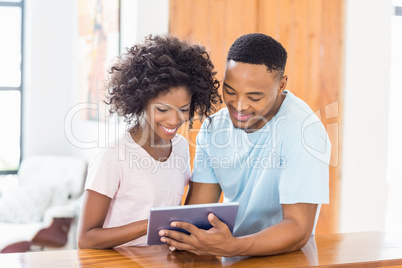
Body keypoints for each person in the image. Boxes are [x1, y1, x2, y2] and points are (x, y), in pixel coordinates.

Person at [159, 33, 331, 256]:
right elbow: (198, 213)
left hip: (285, 259)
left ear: (281, 85)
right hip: (231, 254)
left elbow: (298, 229)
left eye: (254, 97)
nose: (239, 106)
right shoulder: (214, 129)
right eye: (230, 91)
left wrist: (233, 246)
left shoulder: (304, 133)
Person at [77, 34, 221, 249]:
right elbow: (86, 239)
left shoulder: (180, 147)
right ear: (140, 100)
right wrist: (151, 224)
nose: (174, 120)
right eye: (162, 110)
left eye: (183, 110)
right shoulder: (114, 155)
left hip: (160, 260)